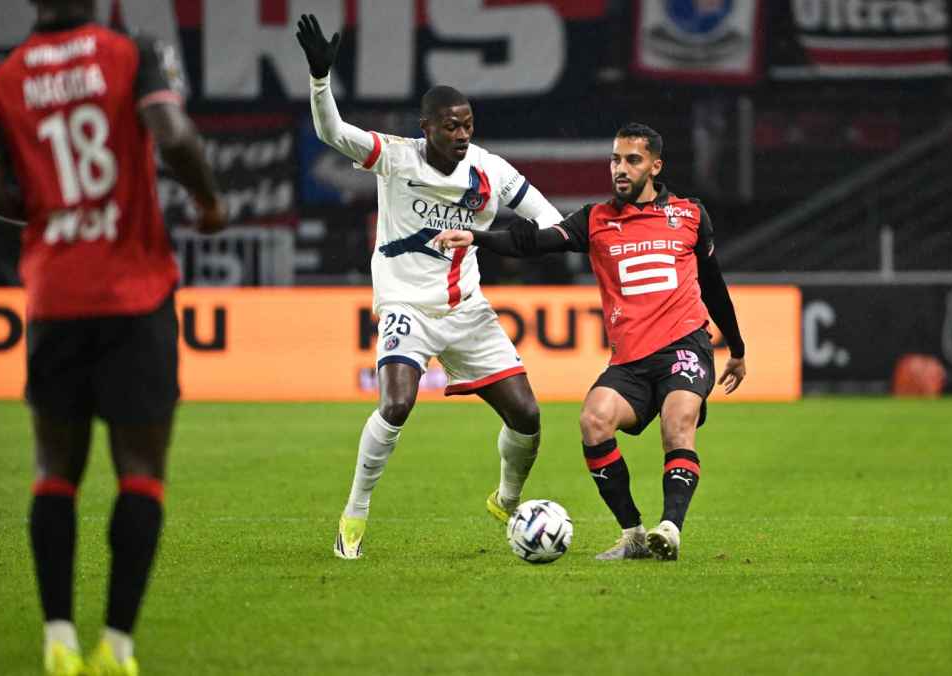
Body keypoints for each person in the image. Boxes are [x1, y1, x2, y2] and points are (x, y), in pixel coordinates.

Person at [0, 1, 225, 674]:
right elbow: (172, 134)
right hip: (135, 290)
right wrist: (208, 201)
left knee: (54, 473)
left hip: (55, 296)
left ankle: (57, 637)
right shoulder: (129, 53)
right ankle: (116, 646)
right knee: (140, 473)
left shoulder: (2, 79)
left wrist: (45, 202)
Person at [294, 15, 566, 560]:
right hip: (405, 307)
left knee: (529, 417)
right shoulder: (394, 157)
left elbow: (551, 222)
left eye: (468, 125)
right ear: (426, 127)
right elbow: (331, 133)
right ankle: (355, 513)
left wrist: (495, 237)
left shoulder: (490, 171)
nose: (463, 135)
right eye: (451, 126)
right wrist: (321, 80)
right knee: (396, 404)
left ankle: (507, 499)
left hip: (466, 310)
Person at [435, 123, 747, 561]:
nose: (621, 168)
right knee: (593, 420)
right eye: (615, 159)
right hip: (631, 360)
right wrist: (478, 240)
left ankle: (670, 529)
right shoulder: (596, 220)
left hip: (685, 347)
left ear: (655, 166)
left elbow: (713, 285)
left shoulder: (690, 215)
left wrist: (736, 348)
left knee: (678, 422)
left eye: (632, 160)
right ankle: (635, 536)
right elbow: (537, 242)